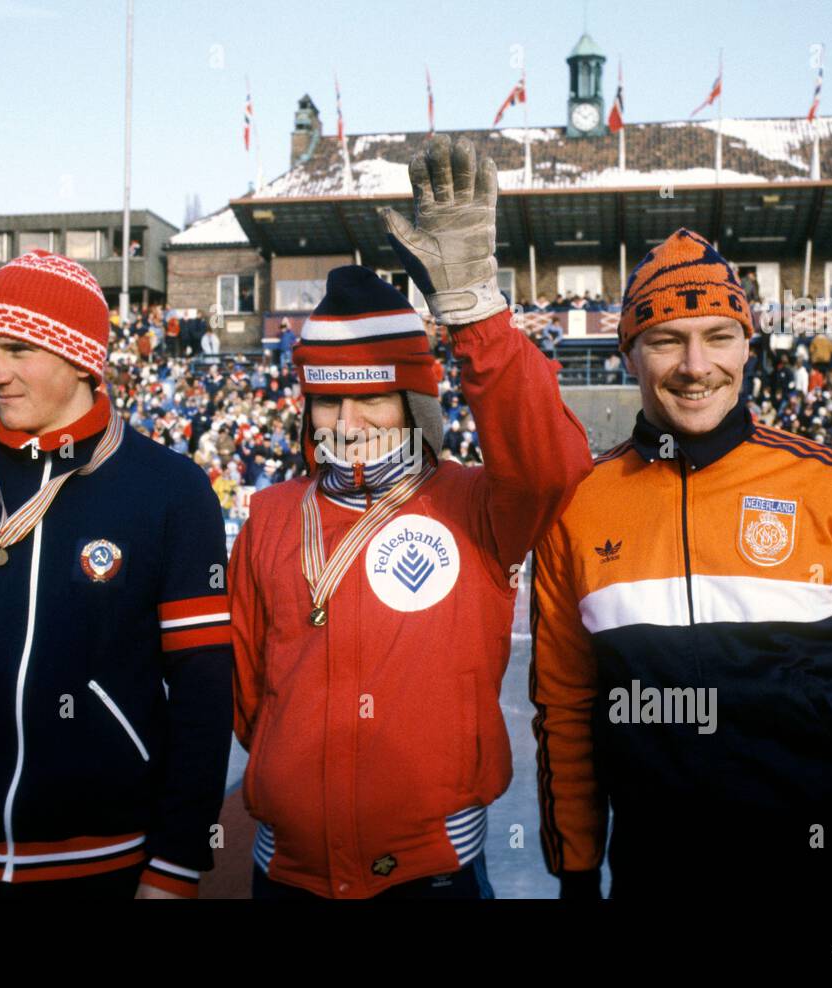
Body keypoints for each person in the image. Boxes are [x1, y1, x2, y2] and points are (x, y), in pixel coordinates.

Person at [531, 227, 832, 900]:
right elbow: (564, 705)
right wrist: (576, 874)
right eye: (666, 339)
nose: (696, 365)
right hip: (654, 880)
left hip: (826, 878)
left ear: (748, 348)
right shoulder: (577, 508)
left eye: (719, 336)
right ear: (629, 354)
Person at [229, 136, 593, 899]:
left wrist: (475, 311)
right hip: (285, 875)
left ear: (415, 403)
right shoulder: (269, 515)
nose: (348, 419)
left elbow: (553, 465)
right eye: (328, 397)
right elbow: (247, 692)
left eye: (372, 395)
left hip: (434, 877)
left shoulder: (477, 507)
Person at [0, 250, 233, 899]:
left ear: (82, 357)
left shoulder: (171, 492)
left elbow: (202, 693)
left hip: (109, 863)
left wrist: (175, 862)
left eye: (18, 349)